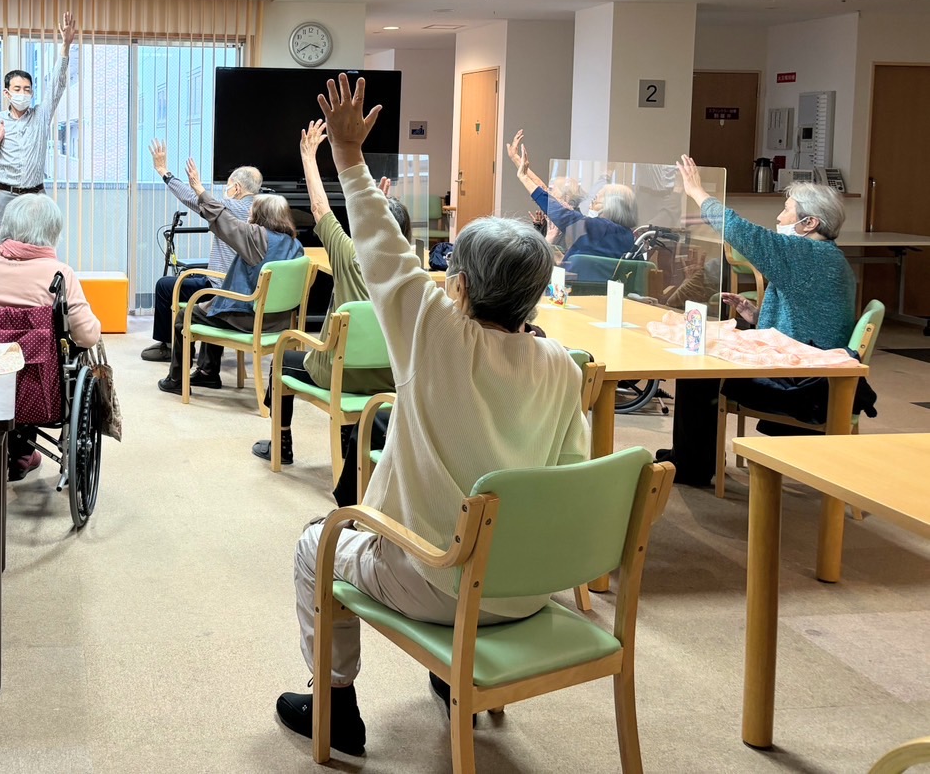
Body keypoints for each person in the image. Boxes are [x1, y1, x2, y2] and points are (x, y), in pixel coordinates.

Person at [275, 76, 589, 758]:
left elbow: (380, 246)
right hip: (527, 587)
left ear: (460, 285)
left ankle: (334, 703)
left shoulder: (434, 332)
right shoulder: (564, 367)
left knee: (313, 543)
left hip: (438, 580)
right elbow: (570, 480)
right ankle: (454, 680)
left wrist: (347, 156)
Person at [655, 157, 870, 486]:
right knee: (708, 358)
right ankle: (691, 455)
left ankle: (693, 464)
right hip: (813, 368)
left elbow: (740, 231)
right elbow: (808, 316)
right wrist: (757, 316)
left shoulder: (806, 255)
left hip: (804, 384)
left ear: (810, 223)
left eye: (787, 210)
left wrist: (697, 192)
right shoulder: (824, 257)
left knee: (698, 370)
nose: (779, 217)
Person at [252, 119, 406, 466]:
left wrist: (309, 157)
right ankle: (351, 445)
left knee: (283, 356)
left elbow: (320, 208)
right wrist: (376, 205)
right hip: (389, 378)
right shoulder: (411, 275)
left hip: (340, 374)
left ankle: (281, 444)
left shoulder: (350, 256)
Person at [0, 193, 101, 479]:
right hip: (39, 392)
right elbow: (87, 336)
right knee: (52, 358)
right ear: (53, 231)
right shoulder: (59, 273)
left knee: (12, 361)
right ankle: (22, 454)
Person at [157, 157, 305, 395]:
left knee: (187, 315)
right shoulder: (295, 246)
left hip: (248, 316)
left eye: (253, 211)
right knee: (211, 304)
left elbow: (222, 217)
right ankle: (207, 371)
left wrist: (198, 188)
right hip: (280, 320)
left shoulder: (255, 237)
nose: (249, 213)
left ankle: (176, 379)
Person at [142, 139, 261, 362]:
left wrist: (164, 172)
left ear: (237, 188)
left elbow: (191, 198)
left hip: (221, 287)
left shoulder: (228, 208)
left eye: (228, 185)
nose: (226, 190)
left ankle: (167, 345)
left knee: (165, 286)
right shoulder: (263, 211)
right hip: (249, 290)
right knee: (191, 279)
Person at [0, 11, 76, 223]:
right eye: (17, 89)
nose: (22, 93)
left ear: (32, 93)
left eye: (27, 89)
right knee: (3, 242)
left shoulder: (41, 115)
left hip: (35, 196)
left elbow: (57, 85)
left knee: (38, 241)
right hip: (6, 196)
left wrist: (65, 46)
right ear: (7, 93)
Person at [507, 129, 636, 284]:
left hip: (575, 289)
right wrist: (517, 162)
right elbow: (548, 194)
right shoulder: (627, 235)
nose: (592, 203)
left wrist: (522, 176)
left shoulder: (598, 228)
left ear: (611, 207)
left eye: (596, 200)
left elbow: (555, 207)